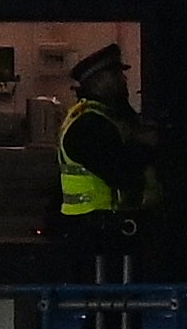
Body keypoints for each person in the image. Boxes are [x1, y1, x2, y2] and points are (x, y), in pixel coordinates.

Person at [48, 48, 153, 283]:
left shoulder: (107, 118)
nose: (123, 81)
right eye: (116, 75)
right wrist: (146, 146)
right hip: (95, 235)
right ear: (98, 82)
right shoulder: (88, 124)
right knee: (106, 307)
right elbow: (121, 172)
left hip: (104, 232)